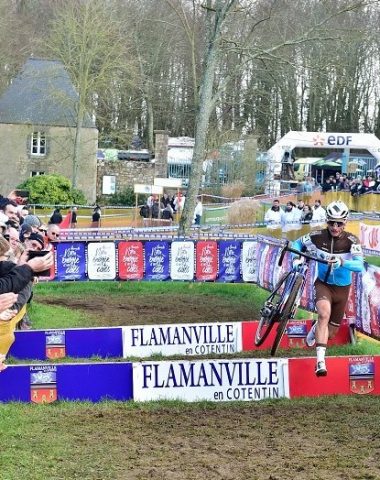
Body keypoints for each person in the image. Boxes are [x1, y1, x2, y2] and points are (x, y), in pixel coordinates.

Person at [291, 201, 364, 377]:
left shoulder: (351, 240)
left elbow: (360, 266)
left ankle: (316, 328)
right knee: (324, 313)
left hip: (342, 289)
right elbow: (296, 244)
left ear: (345, 222)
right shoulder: (317, 236)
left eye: (339, 223)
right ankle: (320, 362)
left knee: (331, 333)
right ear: (327, 221)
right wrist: (296, 259)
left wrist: (343, 262)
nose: (335, 227)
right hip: (323, 284)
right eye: (331, 222)